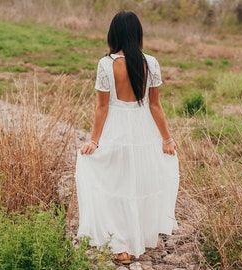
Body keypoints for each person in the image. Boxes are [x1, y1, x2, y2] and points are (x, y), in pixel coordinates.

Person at [75, 10, 179, 264]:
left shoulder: (106, 64)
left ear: (114, 34)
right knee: (139, 182)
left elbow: (102, 107)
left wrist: (94, 140)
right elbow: (155, 106)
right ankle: (139, 237)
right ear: (137, 34)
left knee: (116, 184)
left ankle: (122, 244)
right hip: (144, 128)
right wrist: (166, 139)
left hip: (116, 128)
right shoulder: (151, 63)